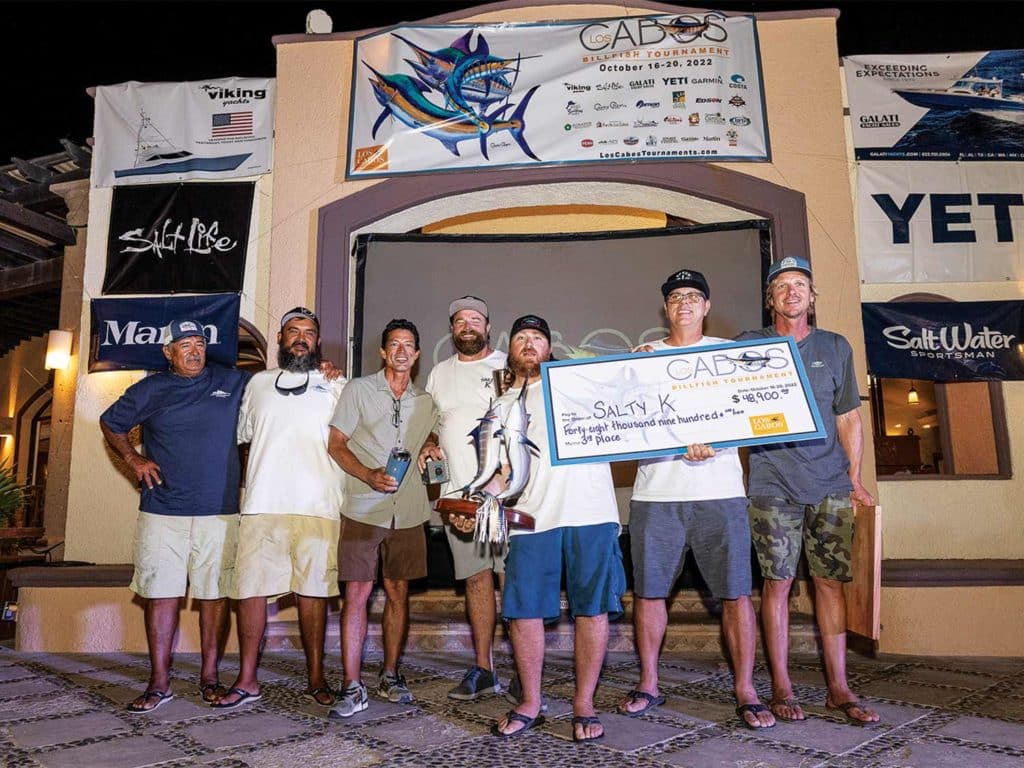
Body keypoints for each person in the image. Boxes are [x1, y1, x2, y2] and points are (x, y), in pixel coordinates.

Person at [618, 270, 775, 730]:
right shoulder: (641, 359)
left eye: (693, 296)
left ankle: (745, 687)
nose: (684, 303)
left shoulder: (731, 356)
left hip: (721, 494)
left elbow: (756, 413)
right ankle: (649, 682)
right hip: (655, 494)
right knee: (649, 593)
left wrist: (723, 441)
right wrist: (623, 374)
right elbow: (625, 421)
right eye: (675, 297)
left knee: (735, 594)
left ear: (706, 306)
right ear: (665, 309)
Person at [738, 256, 880, 725]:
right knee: (777, 583)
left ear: (812, 297)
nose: (792, 291)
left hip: (830, 485)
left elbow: (848, 417)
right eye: (781, 285)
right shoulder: (749, 345)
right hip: (772, 483)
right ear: (770, 299)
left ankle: (838, 686)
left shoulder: (836, 347)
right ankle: (781, 685)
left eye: (800, 284)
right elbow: (712, 394)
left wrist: (855, 477)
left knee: (829, 584)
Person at [489, 315, 625, 743]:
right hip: (531, 519)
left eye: (538, 338)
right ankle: (530, 702)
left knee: (593, 608)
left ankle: (584, 703)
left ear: (551, 349)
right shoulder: (500, 406)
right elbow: (501, 471)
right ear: (510, 350)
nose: (529, 344)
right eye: (521, 338)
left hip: (591, 513)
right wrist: (479, 497)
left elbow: (631, 395)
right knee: (524, 611)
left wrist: (642, 363)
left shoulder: (581, 387)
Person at [100, 318, 246, 712]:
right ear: (168, 352)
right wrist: (133, 458)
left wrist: (325, 372)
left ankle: (210, 677)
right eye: (185, 344)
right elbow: (110, 423)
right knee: (161, 596)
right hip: (162, 511)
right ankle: (159, 683)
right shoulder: (151, 388)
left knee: (214, 597)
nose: (195, 350)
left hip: (219, 512)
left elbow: (275, 394)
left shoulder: (232, 382)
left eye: (200, 342)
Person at [213, 307, 347, 710]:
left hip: (320, 505)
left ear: (318, 341)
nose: (301, 338)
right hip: (262, 505)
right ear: (280, 338)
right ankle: (247, 678)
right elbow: (244, 441)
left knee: (314, 594)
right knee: (250, 592)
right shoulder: (257, 384)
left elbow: (352, 442)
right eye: (293, 331)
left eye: (309, 331)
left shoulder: (337, 384)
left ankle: (316, 677)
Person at [327, 318, 438, 718]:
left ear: (418, 354)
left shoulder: (425, 401)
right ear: (382, 351)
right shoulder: (358, 390)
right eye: (394, 344)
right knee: (355, 596)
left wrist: (430, 445)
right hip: (362, 510)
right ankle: (351, 685)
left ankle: (390, 674)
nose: (402, 351)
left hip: (408, 513)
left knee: (397, 593)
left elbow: (434, 437)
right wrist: (369, 475)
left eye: (409, 345)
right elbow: (336, 445)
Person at [418, 296, 508, 701]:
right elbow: (436, 425)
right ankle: (484, 668)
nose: (467, 325)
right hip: (459, 502)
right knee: (476, 580)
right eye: (459, 320)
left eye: (475, 319)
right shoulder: (439, 373)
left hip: (510, 495)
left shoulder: (510, 366)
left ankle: (526, 668)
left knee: (514, 580)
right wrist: (432, 443)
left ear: (488, 327)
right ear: (452, 330)